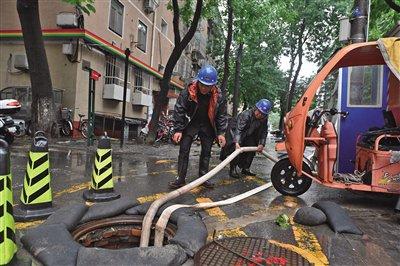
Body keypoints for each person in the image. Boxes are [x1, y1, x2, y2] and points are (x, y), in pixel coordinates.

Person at [168, 65, 227, 189]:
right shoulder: (188, 91)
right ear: (198, 81)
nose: (204, 88)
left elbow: (221, 115)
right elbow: (179, 110)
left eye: (208, 86)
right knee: (184, 150)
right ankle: (180, 178)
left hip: (207, 125)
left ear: (213, 85)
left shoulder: (218, 96)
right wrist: (178, 130)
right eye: (202, 85)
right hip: (191, 123)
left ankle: (203, 177)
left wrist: (221, 132)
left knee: (206, 152)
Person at [220, 99, 272, 178]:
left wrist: (261, 143)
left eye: (263, 114)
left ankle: (246, 168)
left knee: (253, 146)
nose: (260, 115)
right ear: (255, 108)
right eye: (259, 112)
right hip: (235, 131)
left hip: (249, 133)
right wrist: (237, 142)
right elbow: (239, 129)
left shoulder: (264, 119)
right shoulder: (246, 114)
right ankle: (232, 169)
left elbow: (264, 132)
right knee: (235, 149)